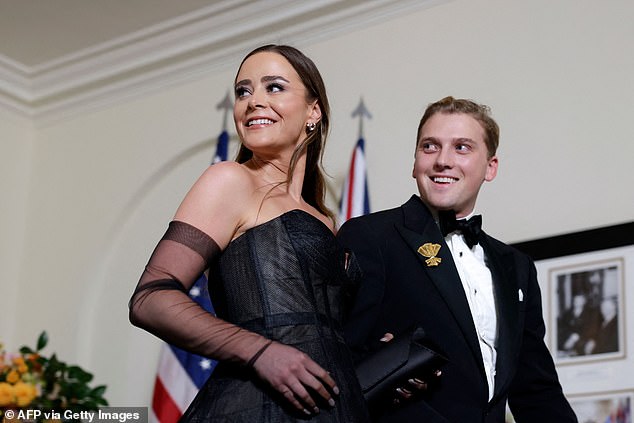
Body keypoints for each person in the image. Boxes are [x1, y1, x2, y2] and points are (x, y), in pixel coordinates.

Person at [129, 44, 369, 422]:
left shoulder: (326, 219)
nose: (253, 101)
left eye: (273, 87)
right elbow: (150, 297)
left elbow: (326, 332)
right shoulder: (230, 180)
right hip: (254, 406)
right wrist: (261, 351)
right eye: (243, 91)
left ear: (313, 110)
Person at [338, 96, 577, 422]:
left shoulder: (516, 267)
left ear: (490, 167)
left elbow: (536, 389)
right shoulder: (372, 237)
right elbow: (333, 356)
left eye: (462, 147)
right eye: (430, 147)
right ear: (414, 162)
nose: (443, 161)